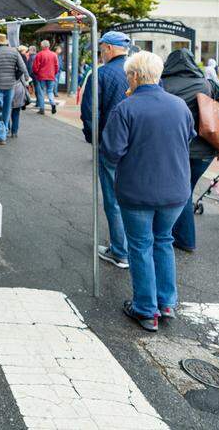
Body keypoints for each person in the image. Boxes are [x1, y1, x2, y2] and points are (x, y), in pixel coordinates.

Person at [100, 51, 194, 332]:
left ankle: (145, 308)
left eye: (128, 74)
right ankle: (167, 303)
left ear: (134, 76)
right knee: (163, 240)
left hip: (138, 189)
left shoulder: (126, 108)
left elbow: (111, 152)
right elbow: (188, 137)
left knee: (140, 245)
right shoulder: (179, 106)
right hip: (176, 189)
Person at [160, 49, 219, 253]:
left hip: (175, 149)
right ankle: (178, 235)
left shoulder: (163, 84)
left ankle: (183, 238)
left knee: (180, 193)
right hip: (204, 151)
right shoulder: (209, 84)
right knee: (185, 191)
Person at [81, 31, 132, 269]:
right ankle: (132, 247)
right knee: (136, 199)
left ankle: (119, 250)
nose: (101, 52)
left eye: (102, 48)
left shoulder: (101, 74)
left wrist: (95, 140)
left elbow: (91, 112)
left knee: (113, 199)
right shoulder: (142, 73)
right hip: (139, 146)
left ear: (109, 49)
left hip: (110, 144)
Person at [31, 40, 60, 115]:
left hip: (41, 76)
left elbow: (35, 67)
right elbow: (57, 66)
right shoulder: (54, 55)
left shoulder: (39, 54)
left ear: (42, 46)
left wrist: (36, 73)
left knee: (41, 92)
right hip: (51, 76)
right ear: (49, 46)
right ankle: (53, 103)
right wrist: (54, 73)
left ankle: (42, 109)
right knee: (50, 91)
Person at [9, 70, 31, 139]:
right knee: (16, 112)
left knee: (5, 112)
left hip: (7, 89)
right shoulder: (19, 66)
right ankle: (14, 132)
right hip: (18, 89)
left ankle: (6, 129)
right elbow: (25, 81)